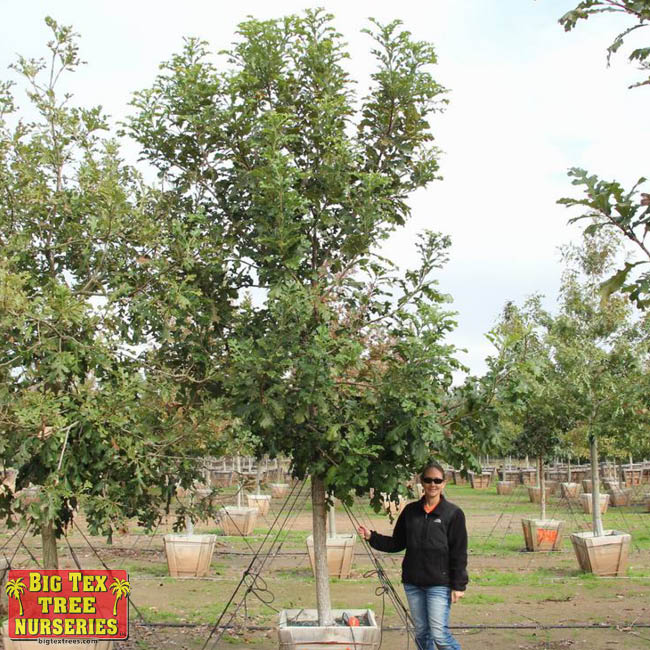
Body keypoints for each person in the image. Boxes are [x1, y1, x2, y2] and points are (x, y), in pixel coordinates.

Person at [358, 460, 467, 650]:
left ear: (444, 483)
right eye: (428, 480)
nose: (433, 484)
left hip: (439, 584)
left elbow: (459, 552)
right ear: (422, 482)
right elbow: (397, 542)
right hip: (413, 583)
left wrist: (458, 585)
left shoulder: (453, 514)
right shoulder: (410, 511)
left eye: (437, 480)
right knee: (422, 633)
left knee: (439, 635)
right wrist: (371, 537)